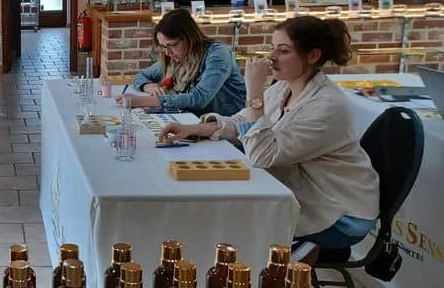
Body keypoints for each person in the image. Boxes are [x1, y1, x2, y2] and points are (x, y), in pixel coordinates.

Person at [160, 16, 379, 249]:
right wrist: (195, 129)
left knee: (228, 222)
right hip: (301, 192)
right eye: (272, 48)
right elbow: (244, 121)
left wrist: (254, 91)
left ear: (312, 56)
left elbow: (262, 156)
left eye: (283, 51)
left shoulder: (328, 105)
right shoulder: (285, 86)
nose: (271, 57)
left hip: (339, 213)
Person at [121, 9, 246, 116]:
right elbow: (141, 76)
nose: (167, 52)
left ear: (189, 37)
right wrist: (149, 86)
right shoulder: (176, 57)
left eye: (172, 45)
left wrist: (143, 101)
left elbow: (199, 99)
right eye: (163, 46)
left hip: (228, 124)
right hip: (193, 118)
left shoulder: (218, 53)